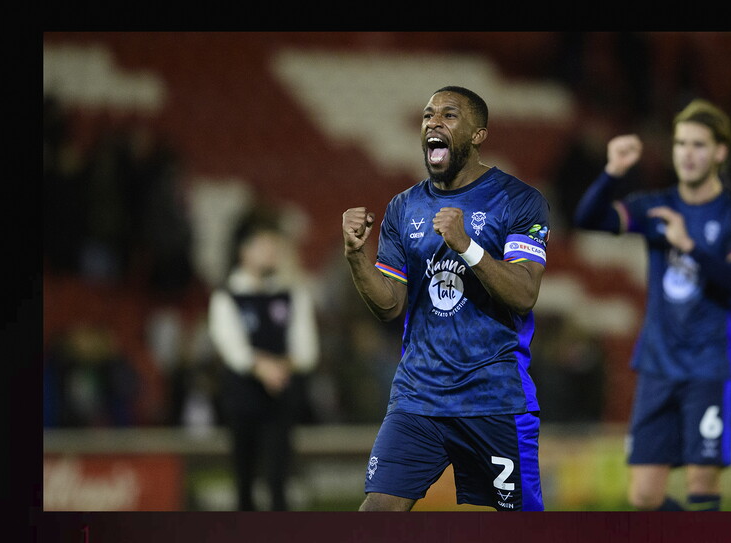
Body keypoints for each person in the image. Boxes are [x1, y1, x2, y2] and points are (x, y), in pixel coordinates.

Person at [342, 86, 550, 512]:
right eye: (427, 115)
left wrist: (467, 247)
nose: (433, 122)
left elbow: (525, 294)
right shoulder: (403, 208)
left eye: (449, 115)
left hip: (494, 397)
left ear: (478, 134)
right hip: (419, 397)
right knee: (375, 513)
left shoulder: (520, 201)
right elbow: (390, 305)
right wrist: (355, 257)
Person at [573, 99, 731, 511]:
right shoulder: (657, 205)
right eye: (680, 144)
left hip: (707, 366)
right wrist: (612, 173)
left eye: (698, 145)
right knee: (644, 495)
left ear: (719, 152)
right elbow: (589, 218)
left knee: (701, 483)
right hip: (658, 365)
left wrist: (689, 247)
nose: (687, 154)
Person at [208, 209, 319, 511]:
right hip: (242, 397)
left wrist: (282, 367)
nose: (271, 253)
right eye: (263, 245)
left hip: (280, 397)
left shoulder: (292, 294)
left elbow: (307, 349)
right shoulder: (226, 296)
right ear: (244, 251)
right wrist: (262, 367)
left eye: (274, 246)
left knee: (278, 481)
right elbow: (231, 346)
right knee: (244, 481)